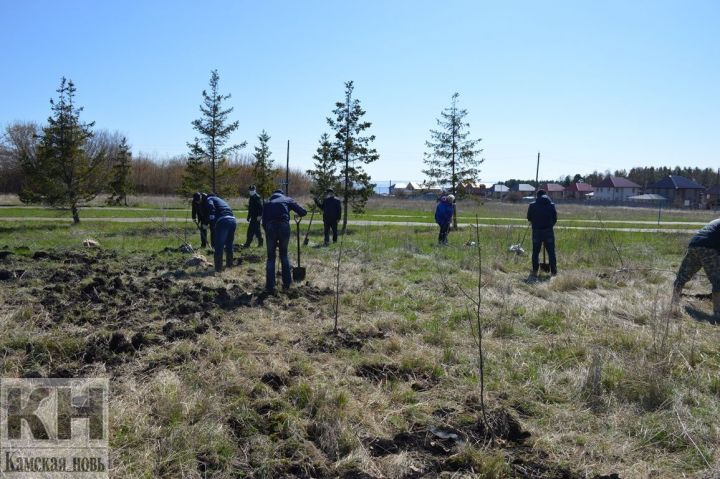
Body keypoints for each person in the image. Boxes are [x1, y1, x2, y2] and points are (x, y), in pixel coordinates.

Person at [673, 218, 720, 317]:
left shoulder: (715, 221)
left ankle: (674, 304)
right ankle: (717, 313)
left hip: (694, 244)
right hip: (709, 247)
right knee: (718, 280)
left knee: (682, 276)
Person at [262, 189, 307, 293]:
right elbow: (303, 212)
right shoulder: (287, 199)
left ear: (272, 195)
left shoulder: (267, 203)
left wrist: (270, 235)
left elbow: (263, 222)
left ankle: (270, 286)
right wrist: (296, 214)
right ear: (282, 194)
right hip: (283, 226)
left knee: (270, 258)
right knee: (284, 255)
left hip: (270, 228)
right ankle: (287, 284)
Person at [526, 189, 557, 276]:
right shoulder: (551, 205)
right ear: (545, 195)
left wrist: (535, 222)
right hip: (548, 231)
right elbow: (555, 219)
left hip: (536, 231)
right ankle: (553, 272)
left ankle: (535, 270)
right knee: (551, 252)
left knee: (535, 252)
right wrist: (549, 226)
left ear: (537, 196)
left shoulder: (532, 205)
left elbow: (529, 217)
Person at [203, 194, 237, 273]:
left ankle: (218, 269)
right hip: (233, 220)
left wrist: (207, 222)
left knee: (219, 246)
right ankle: (229, 265)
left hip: (223, 221)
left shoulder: (209, 199)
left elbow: (211, 207)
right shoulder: (221, 200)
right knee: (229, 245)